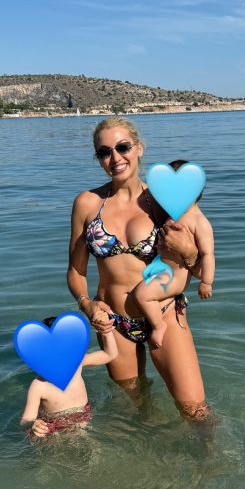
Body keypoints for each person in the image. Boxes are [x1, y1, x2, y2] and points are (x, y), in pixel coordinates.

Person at [67, 117, 215, 424]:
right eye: (104, 152)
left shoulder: (164, 200)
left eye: (123, 147)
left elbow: (201, 269)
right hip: (114, 323)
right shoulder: (87, 203)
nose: (115, 158)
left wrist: (188, 252)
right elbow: (76, 271)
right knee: (134, 407)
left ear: (139, 148)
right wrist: (87, 305)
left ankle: (211, 454)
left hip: (165, 314)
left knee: (196, 412)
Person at [131, 159, 215, 349]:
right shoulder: (175, 214)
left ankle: (158, 325)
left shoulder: (199, 221)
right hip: (163, 269)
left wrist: (206, 282)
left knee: (142, 295)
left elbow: (208, 254)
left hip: (175, 277)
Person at [20, 316, 118, 438]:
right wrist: (33, 424)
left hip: (83, 417)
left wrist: (106, 332)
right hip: (53, 427)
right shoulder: (39, 386)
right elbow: (25, 420)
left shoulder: (77, 363)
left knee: (91, 445)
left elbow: (110, 354)